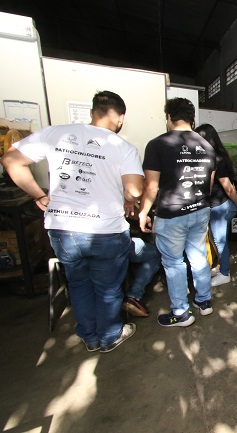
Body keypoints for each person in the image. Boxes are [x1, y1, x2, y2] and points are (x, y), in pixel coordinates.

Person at [0, 90, 143, 353]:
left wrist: (39, 196)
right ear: (121, 118)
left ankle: (89, 336)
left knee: (78, 283)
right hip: (106, 230)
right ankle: (110, 336)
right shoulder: (123, 148)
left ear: (92, 113)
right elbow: (134, 190)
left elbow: (10, 160)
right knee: (108, 287)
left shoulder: (54, 133)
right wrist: (129, 200)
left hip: (64, 229)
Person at [138, 98, 216, 327]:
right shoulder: (207, 145)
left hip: (172, 214)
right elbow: (208, 185)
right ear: (192, 118)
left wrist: (143, 212)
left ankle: (181, 312)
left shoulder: (157, 144)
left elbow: (151, 187)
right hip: (200, 210)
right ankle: (204, 302)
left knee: (174, 263)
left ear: (169, 117)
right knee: (198, 257)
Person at [195, 124, 237, 286]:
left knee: (220, 241)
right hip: (220, 206)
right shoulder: (215, 157)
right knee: (217, 239)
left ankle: (225, 273)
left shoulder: (216, 159)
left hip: (220, 206)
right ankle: (222, 267)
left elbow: (228, 187)